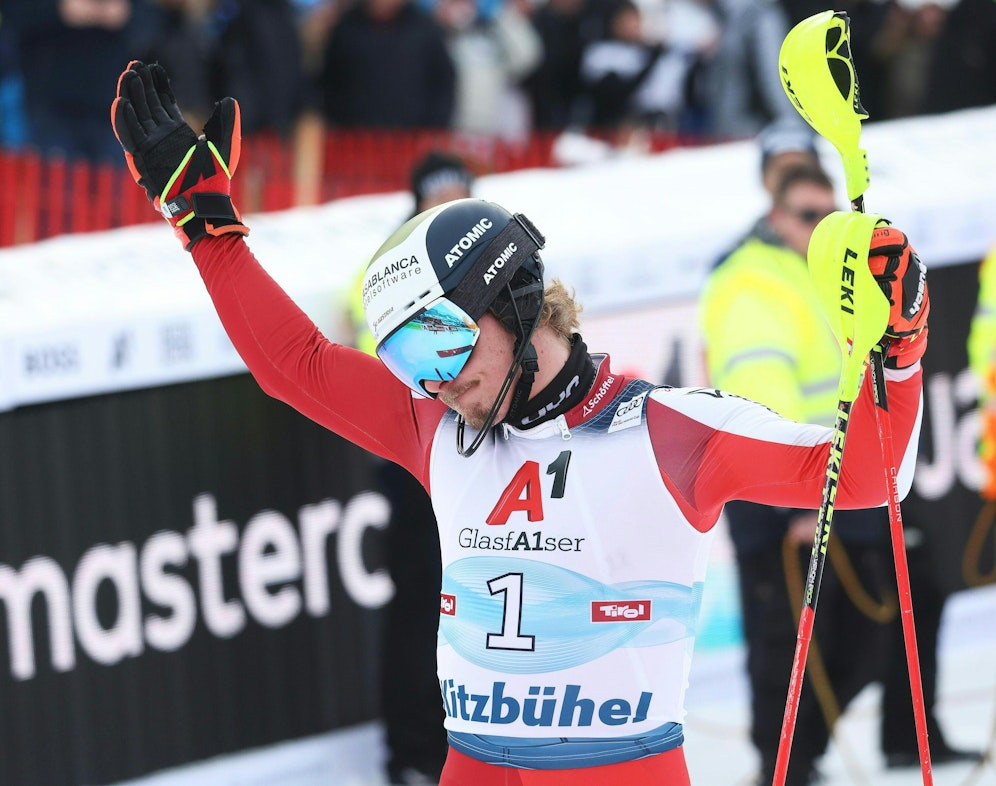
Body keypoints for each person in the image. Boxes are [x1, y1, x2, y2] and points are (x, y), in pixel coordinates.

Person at [110, 60, 929, 785]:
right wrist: (204, 225)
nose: (436, 382)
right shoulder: (441, 431)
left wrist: (899, 348)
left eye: (443, 342)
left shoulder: (669, 431)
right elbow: (297, 366)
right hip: (471, 766)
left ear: (512, 300)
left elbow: (870, 476)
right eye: (407, 361)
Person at [700, 160, 899, 785]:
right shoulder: (750, 279)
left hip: (838, 480)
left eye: (828, 216)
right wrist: (796, 501)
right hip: (776, 485)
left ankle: (801, 751)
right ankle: (779, 766)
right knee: (782, 639)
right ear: (775, 216)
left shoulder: (826, 274)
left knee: (870, 626)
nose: (819, 228)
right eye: (807, 217)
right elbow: (761, 389)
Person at [346, 151, 476, 786]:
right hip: (417, 461)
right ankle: (412, 755)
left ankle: (463, 746)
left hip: (481, 452)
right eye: (438, 197)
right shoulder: (384, 270)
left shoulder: (487, 258)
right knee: (421, 610)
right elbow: (390, 365)